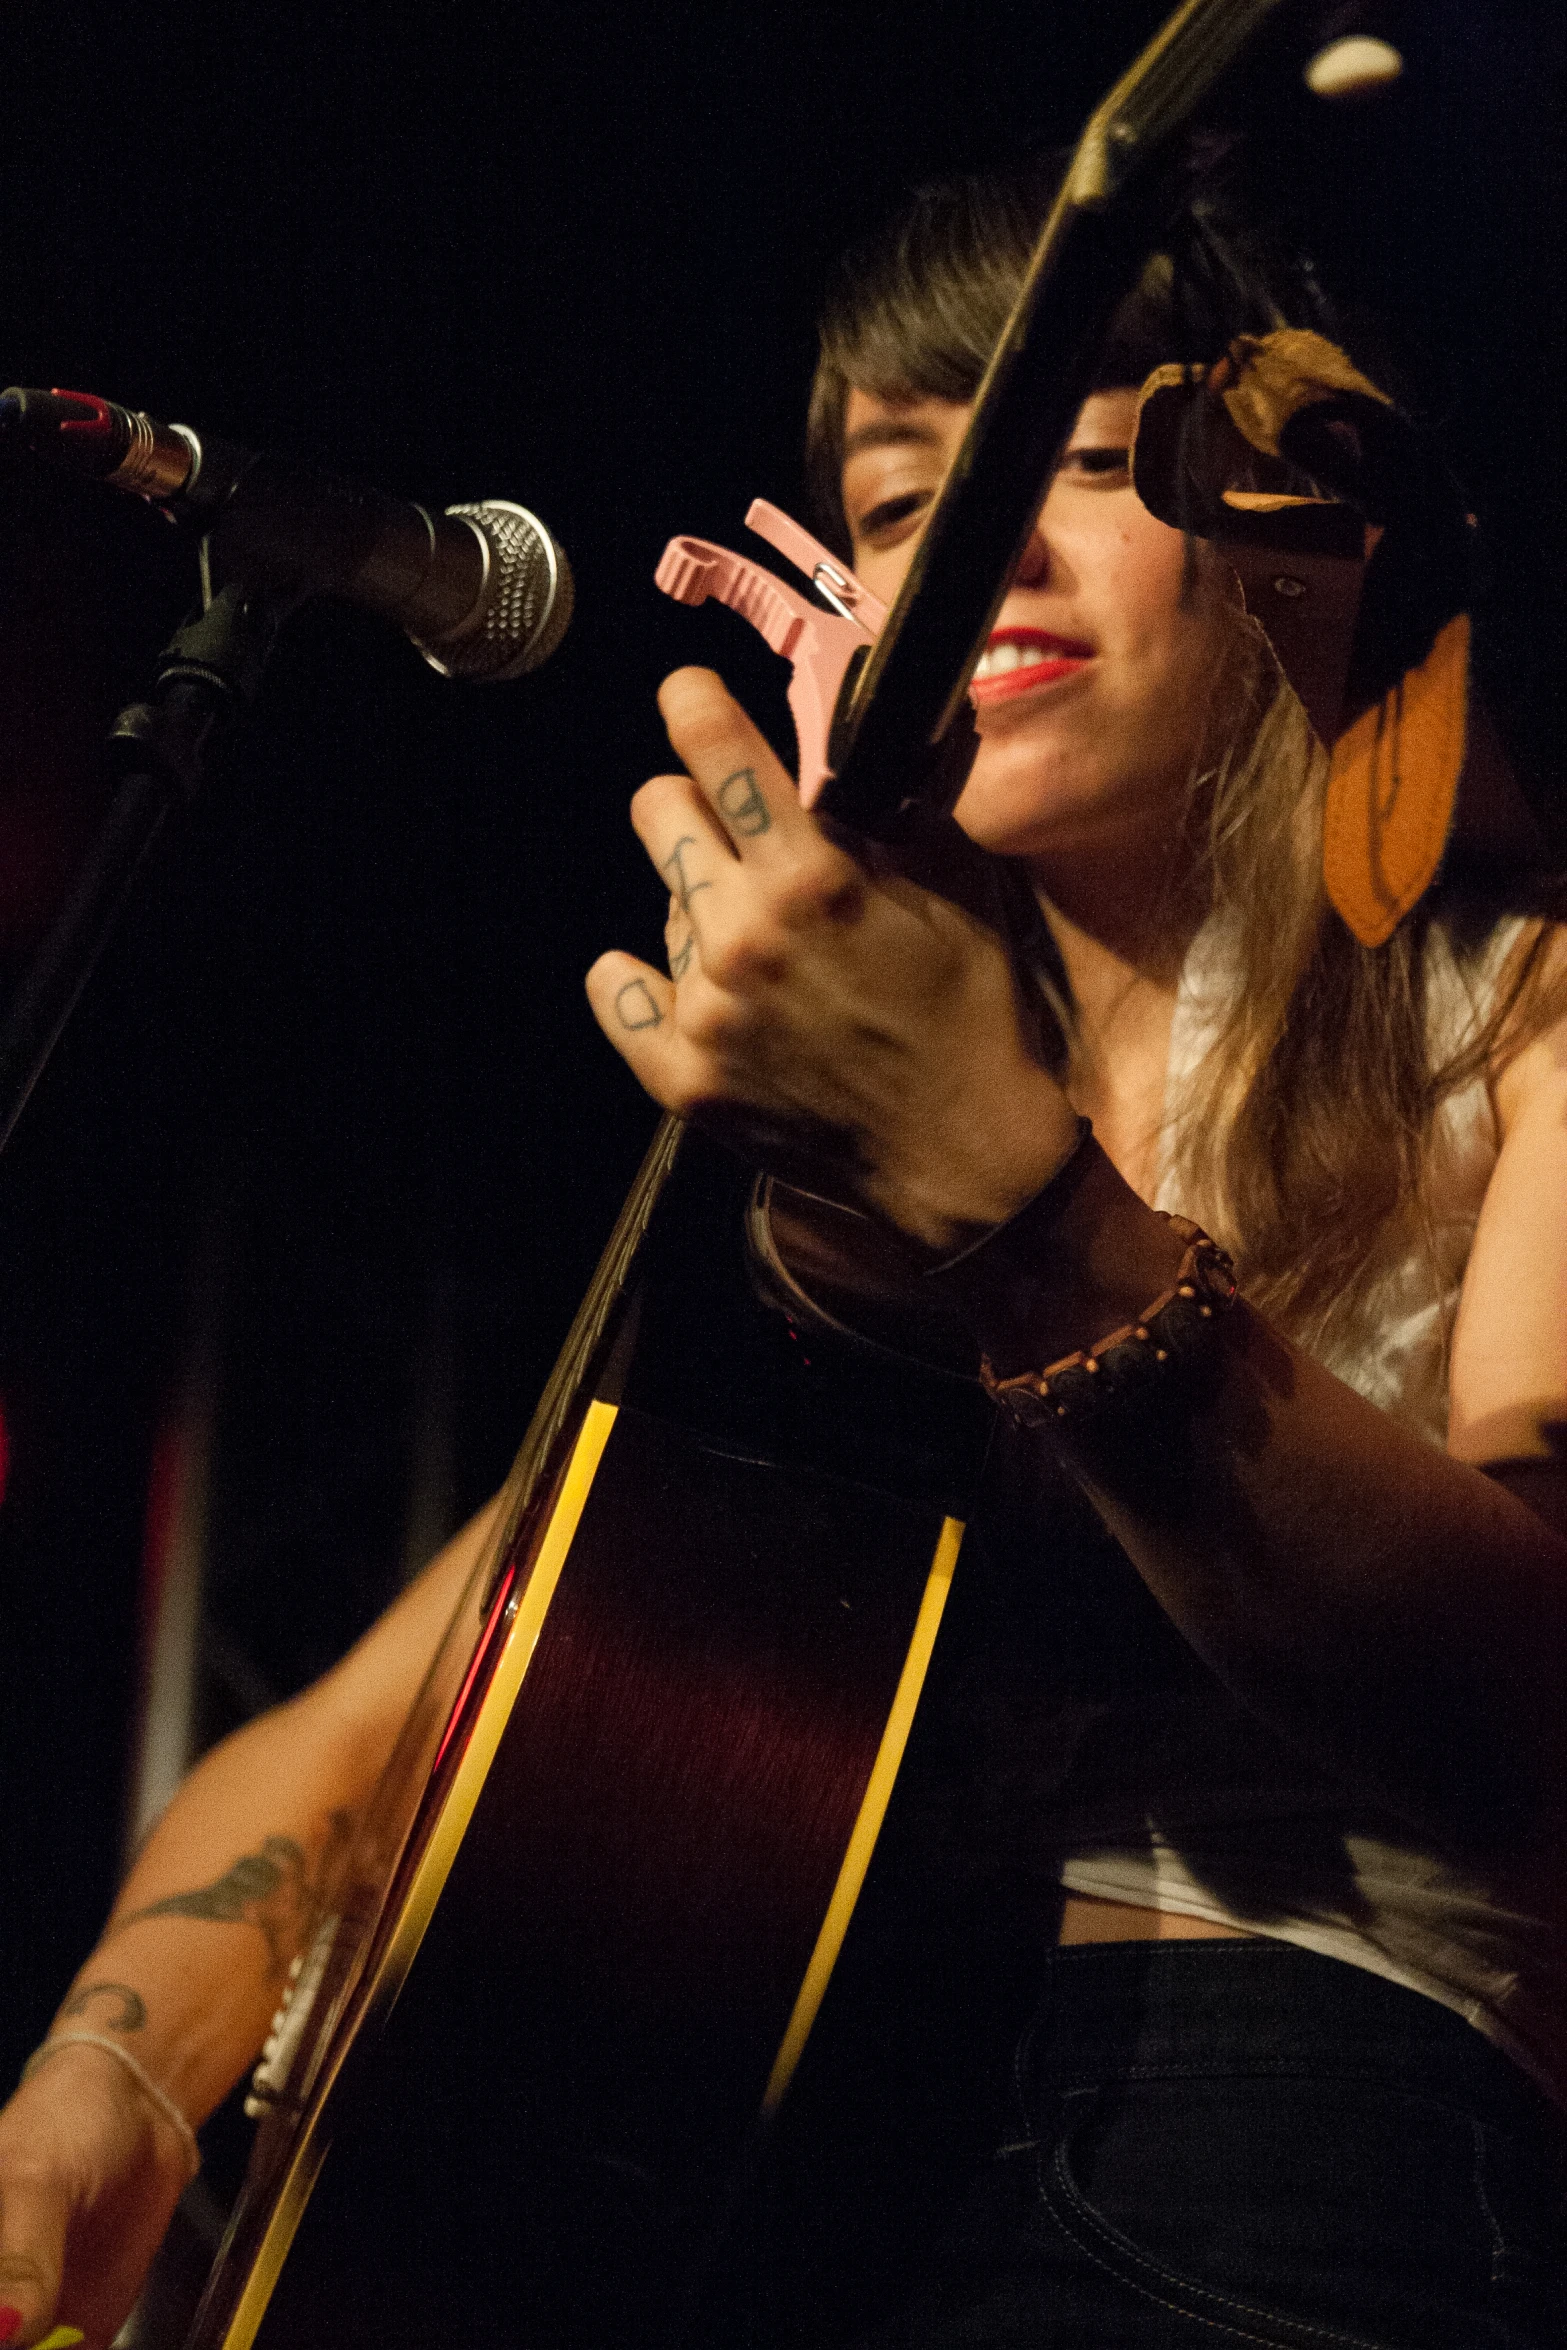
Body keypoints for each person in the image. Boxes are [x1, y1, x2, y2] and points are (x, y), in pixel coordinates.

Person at [1, 168, 1564, 2348]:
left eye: (1092, 459)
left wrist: (1026, 1216)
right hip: (784, 2156)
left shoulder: (1522, 1012)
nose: (990, 538)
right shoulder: (813, 1177)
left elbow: (1530, 1714)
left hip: (1288, 2127)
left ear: (1302, 525)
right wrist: (112, 2067)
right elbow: (352, 1734)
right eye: (907, 495)